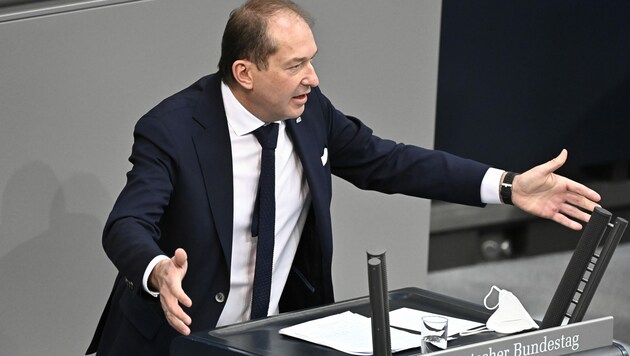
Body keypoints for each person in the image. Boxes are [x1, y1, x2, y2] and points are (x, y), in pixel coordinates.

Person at [86, 0, 601, 355]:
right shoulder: (173, 128)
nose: (313, 78)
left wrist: (508, 185)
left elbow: (391, 161)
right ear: (245, 73)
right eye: (296, 65)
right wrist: (157, 270)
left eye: (312, 61)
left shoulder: (311, 114)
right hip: (172, 343)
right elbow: (126, 222)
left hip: (266, 338)